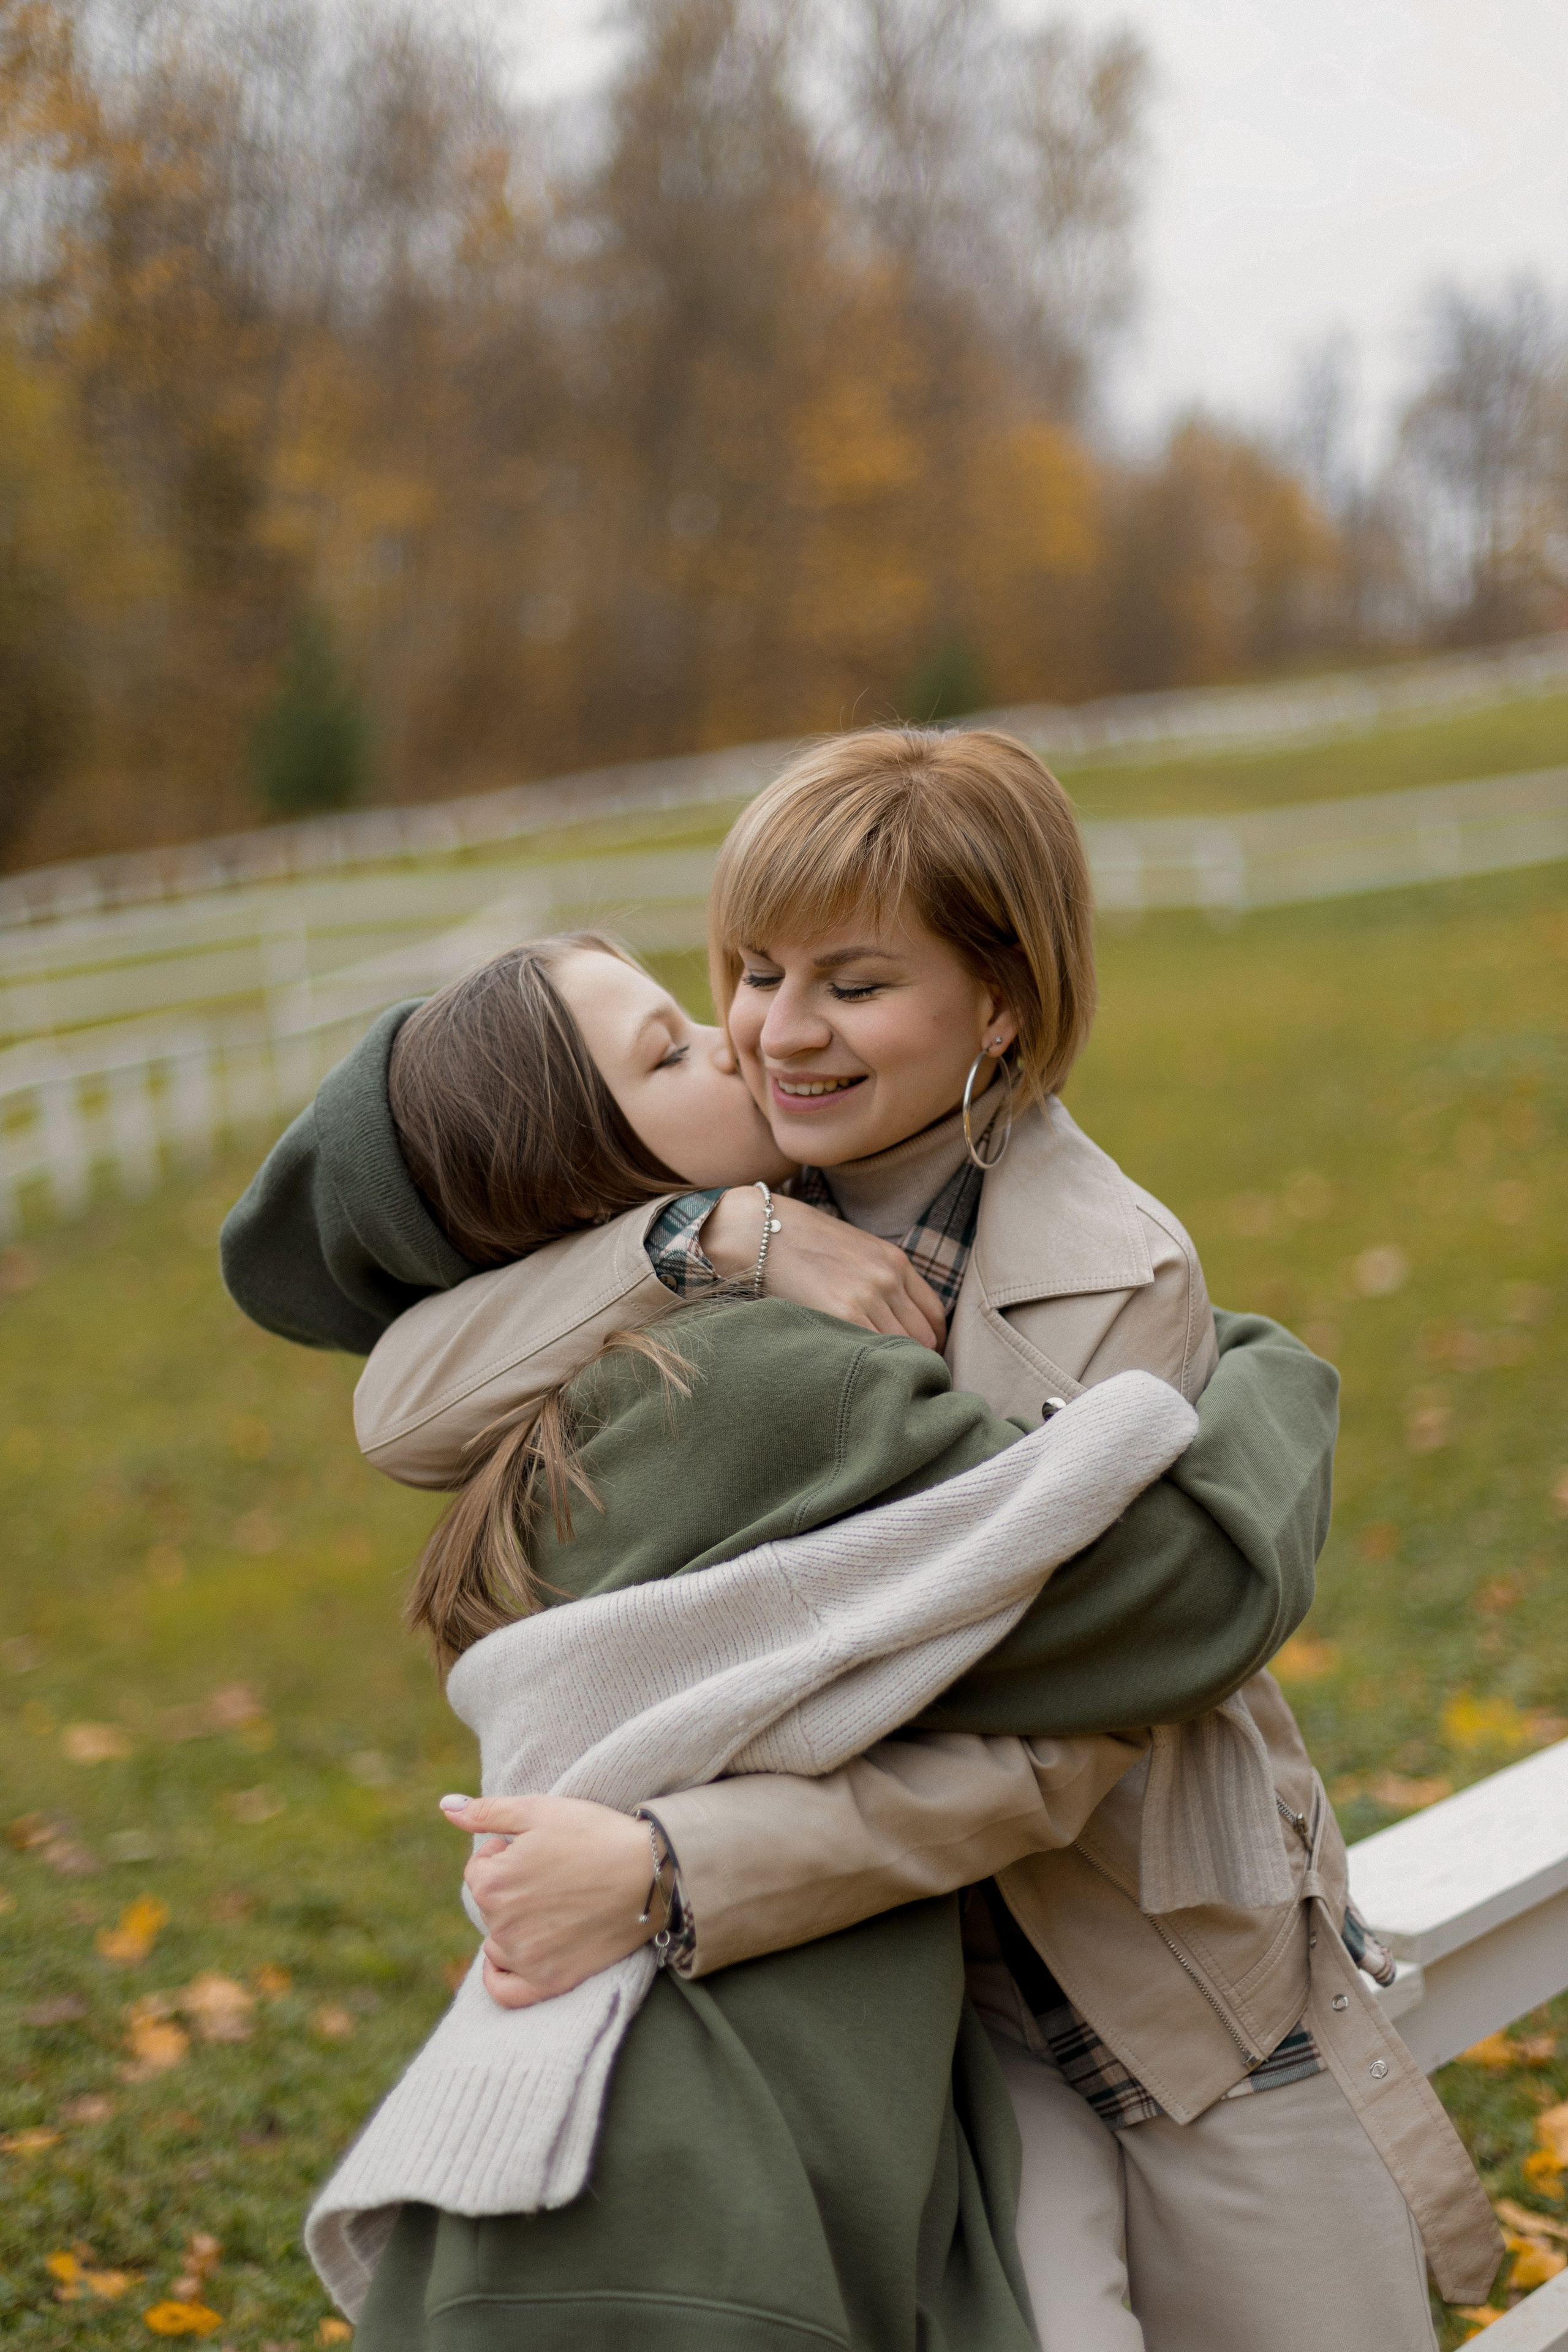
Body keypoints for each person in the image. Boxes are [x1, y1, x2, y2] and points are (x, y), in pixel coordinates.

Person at [307, 728, 1499, 2348]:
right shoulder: (720, 1213)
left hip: (1154, 1963)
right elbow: (402, 1404)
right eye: (753, 970)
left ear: (998, 1003)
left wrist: (673, 1873)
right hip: (900, 2001)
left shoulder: (1106, 1270)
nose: (778, 1034)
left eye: (854, 985)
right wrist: (708, 1235)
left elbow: (1069, 1729)